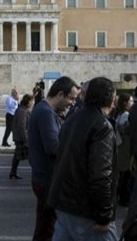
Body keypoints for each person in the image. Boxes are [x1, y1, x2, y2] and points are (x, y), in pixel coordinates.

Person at [48, 76, 118, 241]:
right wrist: (104, 215)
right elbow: (101, 175)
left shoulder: (72, 119)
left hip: (63, 204)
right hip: (85, 210)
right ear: (112, 99)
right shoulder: (102, 126)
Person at [28, 76, 80, 241]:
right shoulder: (46, 113)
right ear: (59, 94)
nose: (72, 103)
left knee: (45, 225)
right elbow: (53, 147)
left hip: (43, 177)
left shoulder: (45, 110)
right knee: (48, 228)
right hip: (47, 178)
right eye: (71, 98)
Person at [112, 93, 133, 207]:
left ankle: (120, 196)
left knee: (121, 174)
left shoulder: (117, 113)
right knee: (125, 174)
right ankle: (124, 198)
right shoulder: (125, 115)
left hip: (120, 147)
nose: (132, 103)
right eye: (131, 101)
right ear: (125, 103)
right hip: (125, 147)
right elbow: (123, 129)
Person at [9, 94, 33, 180]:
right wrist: (26, 140)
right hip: (22, 138)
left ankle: (13, 172)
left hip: (21, 137)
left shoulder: (23, 109)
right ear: (27, 101)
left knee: (17, 156)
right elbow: (21, 126)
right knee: (33, 155)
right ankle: (38, 173)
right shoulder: (22, 111)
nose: (32, 103)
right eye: (31, 101)